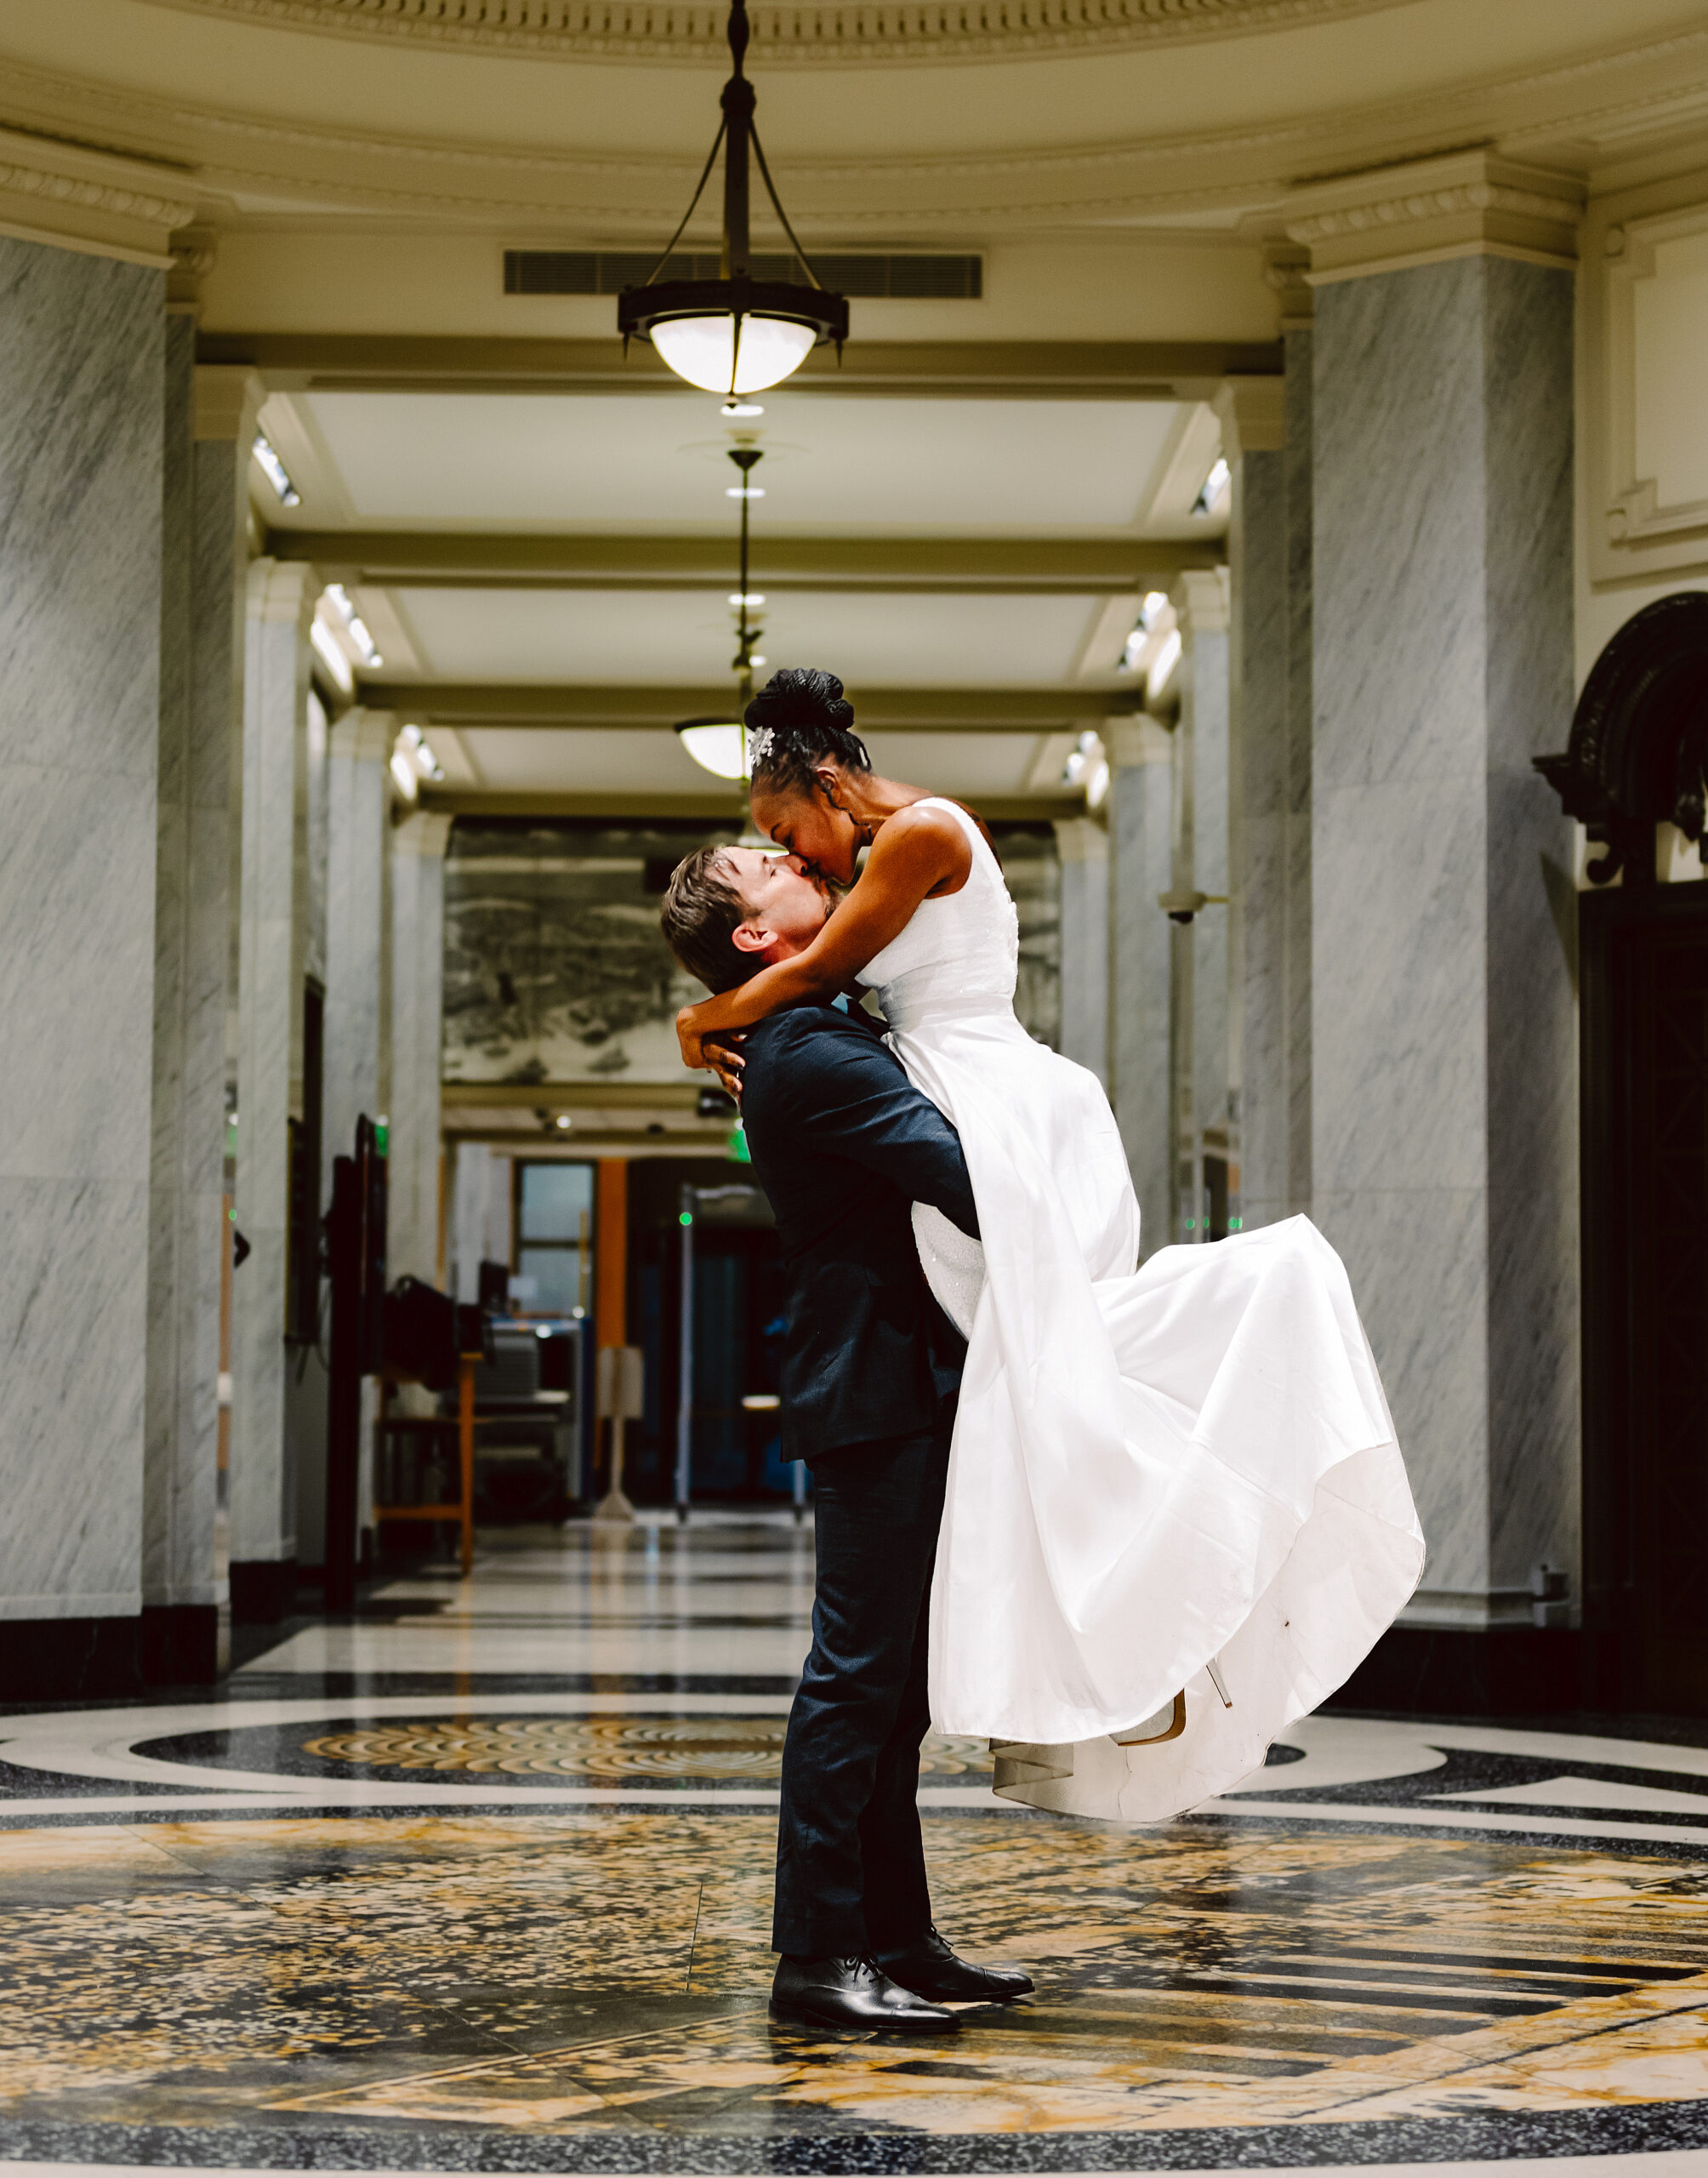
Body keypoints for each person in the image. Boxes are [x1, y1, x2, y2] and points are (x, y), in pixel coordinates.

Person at [673, 668, 1426, 1824]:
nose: (805, 859)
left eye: (789, 833)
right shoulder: (825, 1006)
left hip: (1001, 1100)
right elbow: (819, 984)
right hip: (960, 1105)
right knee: (1039, 1376)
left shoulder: (916, 837)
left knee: (1067, 1355)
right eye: (779, 853)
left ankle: (1153, 1517)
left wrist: (696, 1019)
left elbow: (821, 971)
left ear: (823, 781)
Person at [660, 841, 1035, 2034]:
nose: (787, 855)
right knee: (858, 1677)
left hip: (902, 1375)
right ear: (755, 935)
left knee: (897, 1686)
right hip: (875, 1380)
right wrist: (1053, 1151)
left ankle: (897, 1937)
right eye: (756, 864)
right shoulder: (812, 1048)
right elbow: (960, 1173)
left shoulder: (807, 1022)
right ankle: (819, 1957)